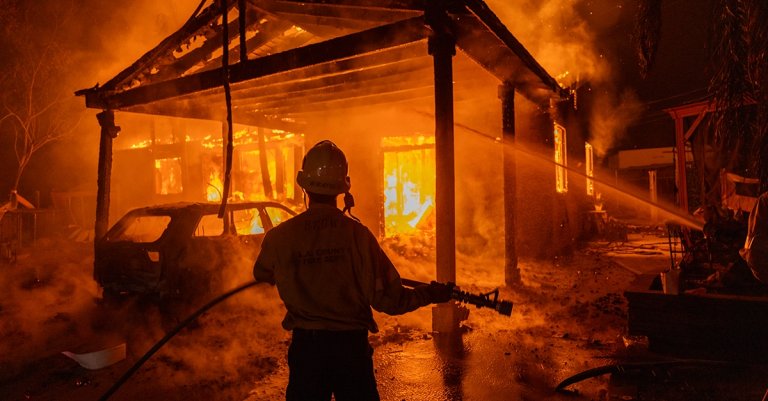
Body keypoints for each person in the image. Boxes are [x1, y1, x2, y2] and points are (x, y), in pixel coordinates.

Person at [253, 140, 452, 401]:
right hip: (350, 352)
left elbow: (262, 274)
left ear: (304, 185)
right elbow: (389, 300)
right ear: (343, 188)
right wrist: (428, 294)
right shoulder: (358, 236)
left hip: (307, 352)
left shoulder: (279, 237)